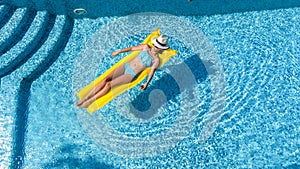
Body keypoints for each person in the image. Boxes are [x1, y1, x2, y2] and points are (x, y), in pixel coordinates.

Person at [76, 35, 170, 108]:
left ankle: (90, 101)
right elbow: (132, 48)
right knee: (105, 79)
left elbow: (152, 72)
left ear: (161, 49)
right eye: (154, 44)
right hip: (125, 66)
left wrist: (146, 83)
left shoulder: (156, 60)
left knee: (109, 84)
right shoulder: (145, 47)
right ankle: (85, 98)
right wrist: (118, 52)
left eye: (157, 47)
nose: (154, 47)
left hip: (131, 75)